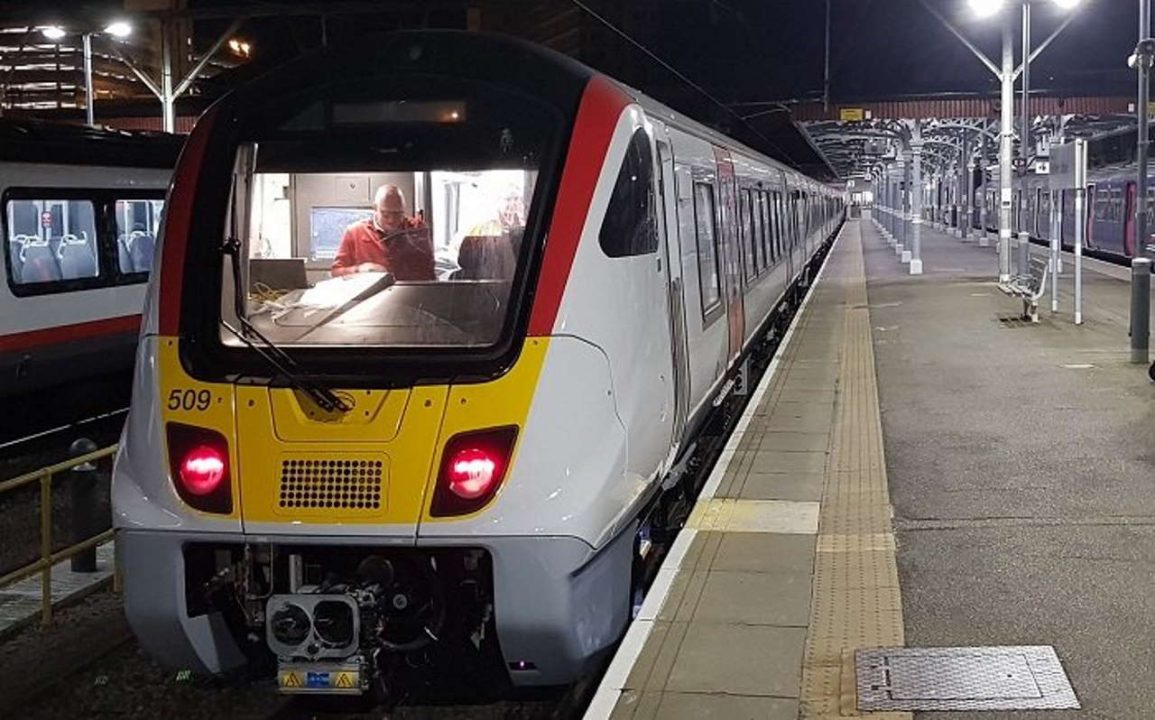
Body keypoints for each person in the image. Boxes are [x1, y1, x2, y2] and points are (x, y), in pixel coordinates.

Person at [330, 185, 434, 280]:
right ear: (375, 208)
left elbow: (429, 270)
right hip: (371, 298)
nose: (391, 220)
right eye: (385, 214)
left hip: (409, 295)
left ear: (404, 209)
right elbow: (335, 272)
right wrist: (359, 270)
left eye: (398, 214)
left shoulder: (417, 228)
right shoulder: (354, 232)